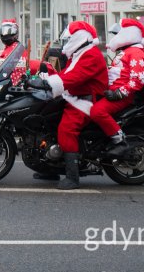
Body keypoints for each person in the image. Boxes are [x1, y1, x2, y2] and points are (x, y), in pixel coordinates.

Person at [29, 21, 108, 190]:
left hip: (86, 100)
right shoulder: (80, 53)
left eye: (69, 39)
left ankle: (73, 176)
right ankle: (49, 167)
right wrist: (42, 79)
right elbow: (66, 73)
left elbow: (75, 77)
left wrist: (46, 84)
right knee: (47, 120)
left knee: (66, 129)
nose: (66, 43)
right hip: (74, 95)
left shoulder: (91, 55)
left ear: (78, 38)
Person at [89, 19, 144, 156]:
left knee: (97, 112)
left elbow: (137, 81)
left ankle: (120, 141)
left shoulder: (136, 53)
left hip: (122, 96)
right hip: (112, 91)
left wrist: (118, 93)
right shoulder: (128, 51)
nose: (115, 37)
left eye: (119, 34)